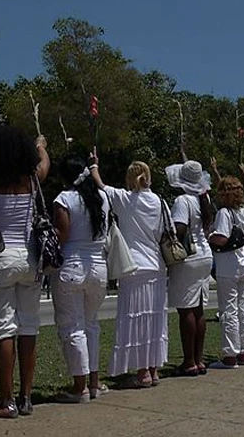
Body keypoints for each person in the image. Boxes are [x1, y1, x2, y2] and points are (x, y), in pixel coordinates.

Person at [0, 125, 50, 417]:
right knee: (29, 326)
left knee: (3, 330)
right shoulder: (32, 179)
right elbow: (44, 163)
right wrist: (41, 145)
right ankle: (26, 396)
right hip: (30, 257)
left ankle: (6, 399)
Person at [89, 154, 167, 388]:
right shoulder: (159, 201)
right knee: (154, 318)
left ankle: (142, 372)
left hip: (133, 266)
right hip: (156, 265)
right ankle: (153, 369)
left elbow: (100, 184)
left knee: (136, 318)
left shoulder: (125, 199)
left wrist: (94, 164)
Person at [52, 154, 111, 403]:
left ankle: (80, 386)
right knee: (91, 325)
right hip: (98, 266)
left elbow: (62, 234)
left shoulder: (64, 199)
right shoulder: (102, 198)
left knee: (73, 326)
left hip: (72, 265)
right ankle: (94, 382)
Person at [166, 160, 215, 375]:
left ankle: (189, 361)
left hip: (189, 257)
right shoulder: (204, 199)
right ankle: (199, 359)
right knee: (199, 309)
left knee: (186, 309)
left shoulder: (182, 200)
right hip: (205, 254)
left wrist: (166, 232)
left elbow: (180, 228)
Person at [208, 176, 244, 369]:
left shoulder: (224, 213)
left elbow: (222, 238)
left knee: (228, 310)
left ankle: (230, 354)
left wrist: (209, 236)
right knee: (242, 308)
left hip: (228, 265)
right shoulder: (241, 211)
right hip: (243, 262)